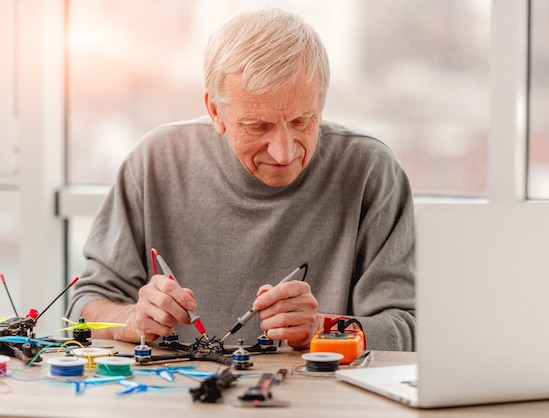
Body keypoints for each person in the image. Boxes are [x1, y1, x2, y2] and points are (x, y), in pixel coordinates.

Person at [66, 7, 416, 351]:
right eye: (257, 126)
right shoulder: (155, 161)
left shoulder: (371, 170)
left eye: (302, 121)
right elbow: (83, 309)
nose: (283, 153)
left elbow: (406, 328)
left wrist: (321, 328)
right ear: (216, 111)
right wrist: (131, 319)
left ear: (321, 105)